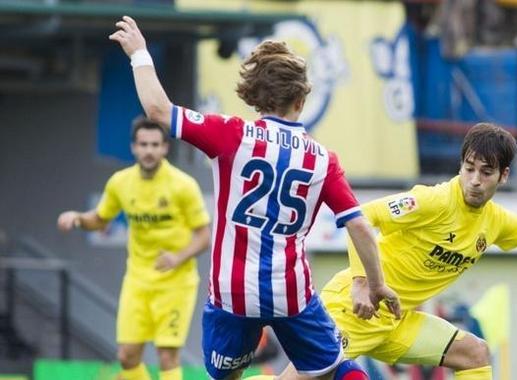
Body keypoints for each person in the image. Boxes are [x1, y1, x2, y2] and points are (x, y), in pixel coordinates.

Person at [108, 16, 401, 380]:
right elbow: (358, 225)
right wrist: (375, 284)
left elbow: (158, 110)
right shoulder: (323, 160)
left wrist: (140, 54)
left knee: (227, 376)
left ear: (257, 95)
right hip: (290, 294)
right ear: (302, 97)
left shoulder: (232, 134)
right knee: (332, 369)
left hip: (233, 295)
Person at [279, 122, 517, 380]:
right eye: (469, 168)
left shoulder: (496, 222)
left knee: (474, 352)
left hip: (398, 321)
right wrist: (363, 282)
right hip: (352, 311)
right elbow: (360, 217)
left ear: (504, 176)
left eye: (486, 172)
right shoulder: (433, 200)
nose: (475, 180)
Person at [57, 117, 212, 380]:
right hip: (138, 279)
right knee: (127, 357)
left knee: (167, 355)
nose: (149, 150)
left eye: (155, 144)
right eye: (143, 144)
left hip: (176, 282)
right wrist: (79, 219)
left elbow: (204, 236)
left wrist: (178, 257)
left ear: (165, 148)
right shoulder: (120, 182)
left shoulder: (183, 185)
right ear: (133, 148)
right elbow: (100, 219)